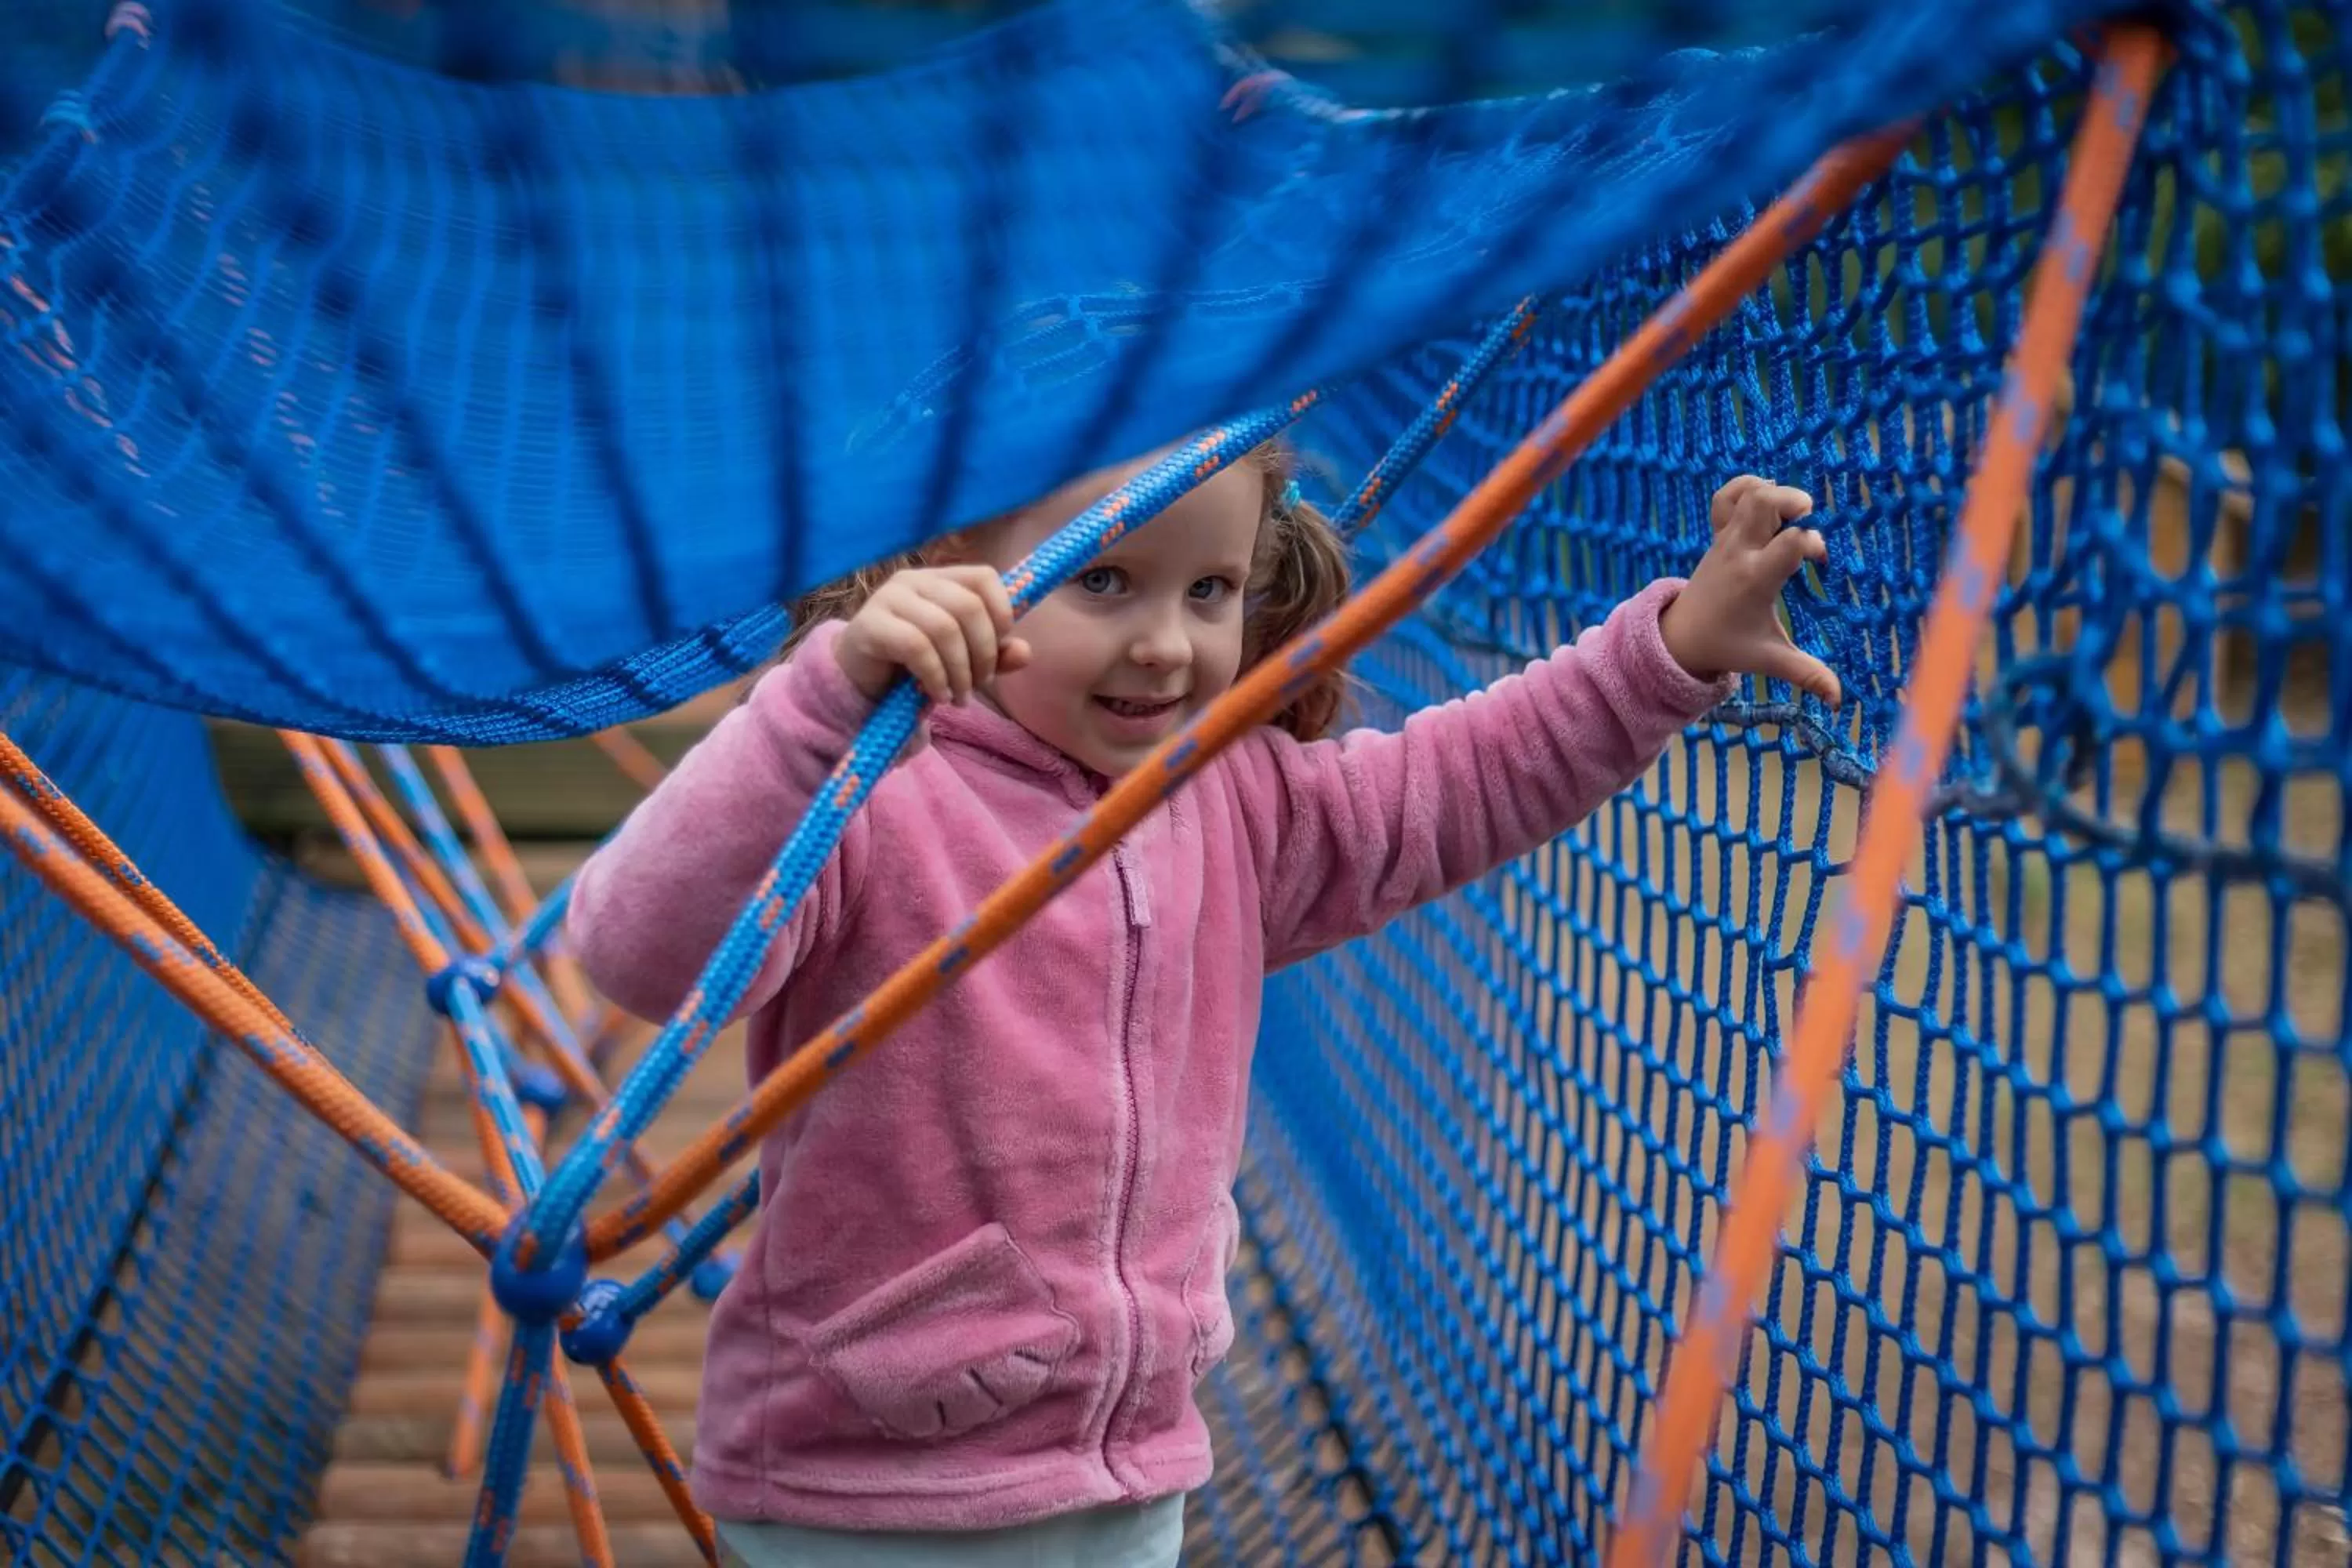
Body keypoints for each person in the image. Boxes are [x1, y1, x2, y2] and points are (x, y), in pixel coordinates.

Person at [567, 448, 1838, 1567]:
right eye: (1103, 581)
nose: (1168, 643)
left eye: (1210, 590)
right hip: (862, 1483)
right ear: (955, 562)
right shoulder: (874, 798)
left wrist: (1666, 656)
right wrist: (821, 701)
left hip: (1129, 1472)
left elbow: (1461, 784)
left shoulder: (1236, 803)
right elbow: (638, 949)